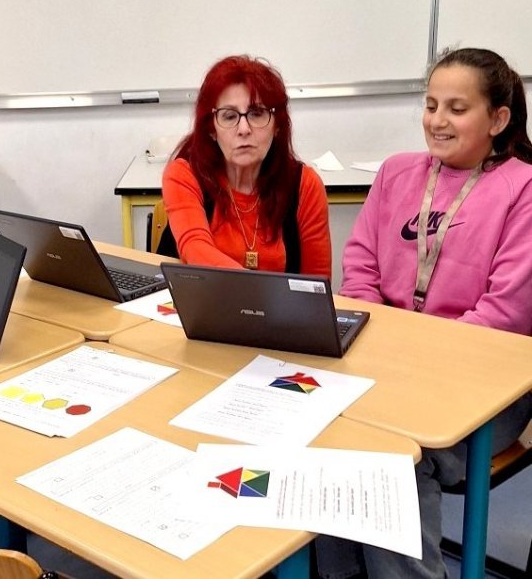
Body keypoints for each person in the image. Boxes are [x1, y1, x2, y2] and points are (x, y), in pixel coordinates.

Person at [317, 48, 532, 578]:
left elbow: (504, 313)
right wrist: (377, 346)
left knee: (396, 458)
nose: (437, 120)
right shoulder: (396, 172)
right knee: (319, 425)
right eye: (431, 105)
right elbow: (361, 267)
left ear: (498, 119)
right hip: (385, 365)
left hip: (483, 381)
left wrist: (410, 359)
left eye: (457, 109)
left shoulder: (524, 188)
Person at [162, 55, 332, 276]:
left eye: (257, 113)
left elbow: (316, 283)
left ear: (277, 125)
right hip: (196, 299)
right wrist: (259, 291)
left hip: (278, 302)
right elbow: (195, 250)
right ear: (212, 129)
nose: (244, 129)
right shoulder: (184, 174)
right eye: (229, 116)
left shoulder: (305, 185)